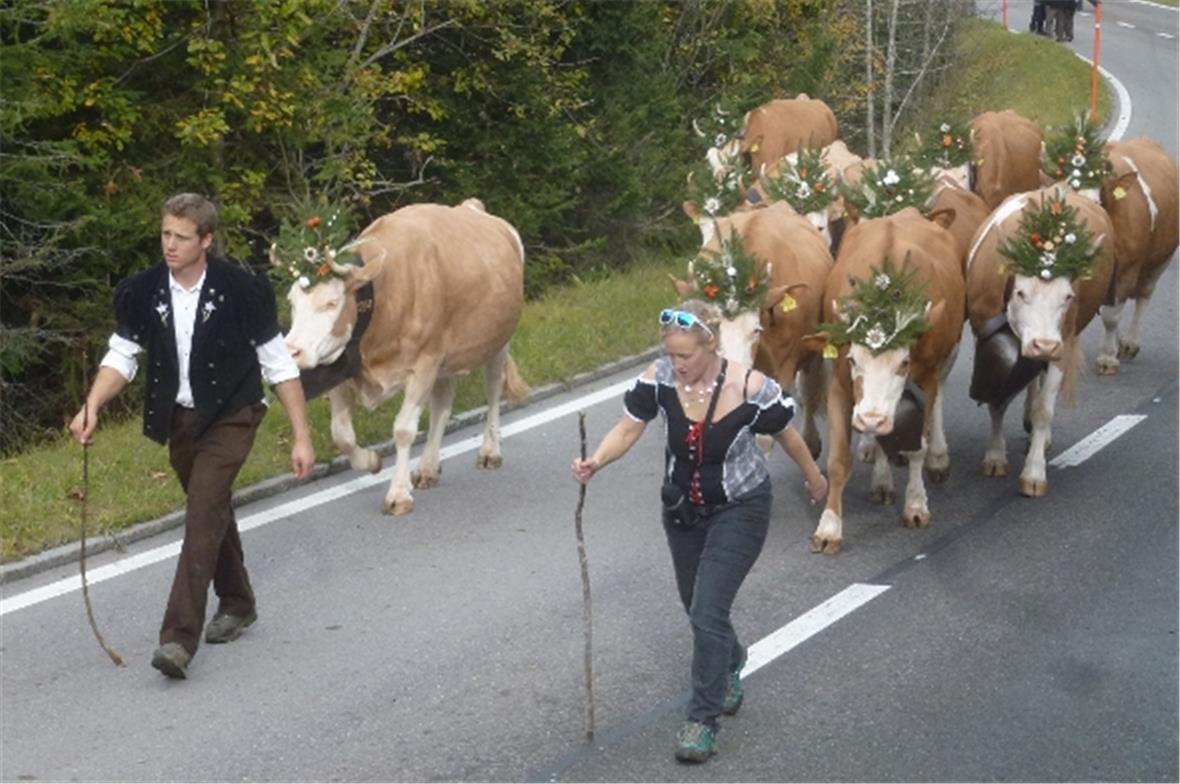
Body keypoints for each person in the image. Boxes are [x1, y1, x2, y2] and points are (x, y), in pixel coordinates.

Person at [69, 193, 316, 680]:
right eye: (165, 234)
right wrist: (92, 405)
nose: (170, 245)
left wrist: (301, 436)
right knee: (212, 509)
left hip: (234, 413)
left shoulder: (241, 289)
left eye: (181, 237)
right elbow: (123, 355)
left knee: (202, 509)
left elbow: (277, 364)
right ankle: (239, 601)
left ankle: (177, 638)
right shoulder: (144, 291)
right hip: (179, 420)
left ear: (206, 240)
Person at [570, 300, 827, 763]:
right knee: (695, 606)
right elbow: (629, 429)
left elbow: (787, 433)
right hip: (682, 511)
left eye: (685, 356)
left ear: (710, 346)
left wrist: (814, 476)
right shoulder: (660, 379)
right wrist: (596, 462)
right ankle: (731, 656)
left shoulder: (750, 386)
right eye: (671, 354)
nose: (677, 365)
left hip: (741, 508)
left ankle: (702, 719)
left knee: (708, 610)